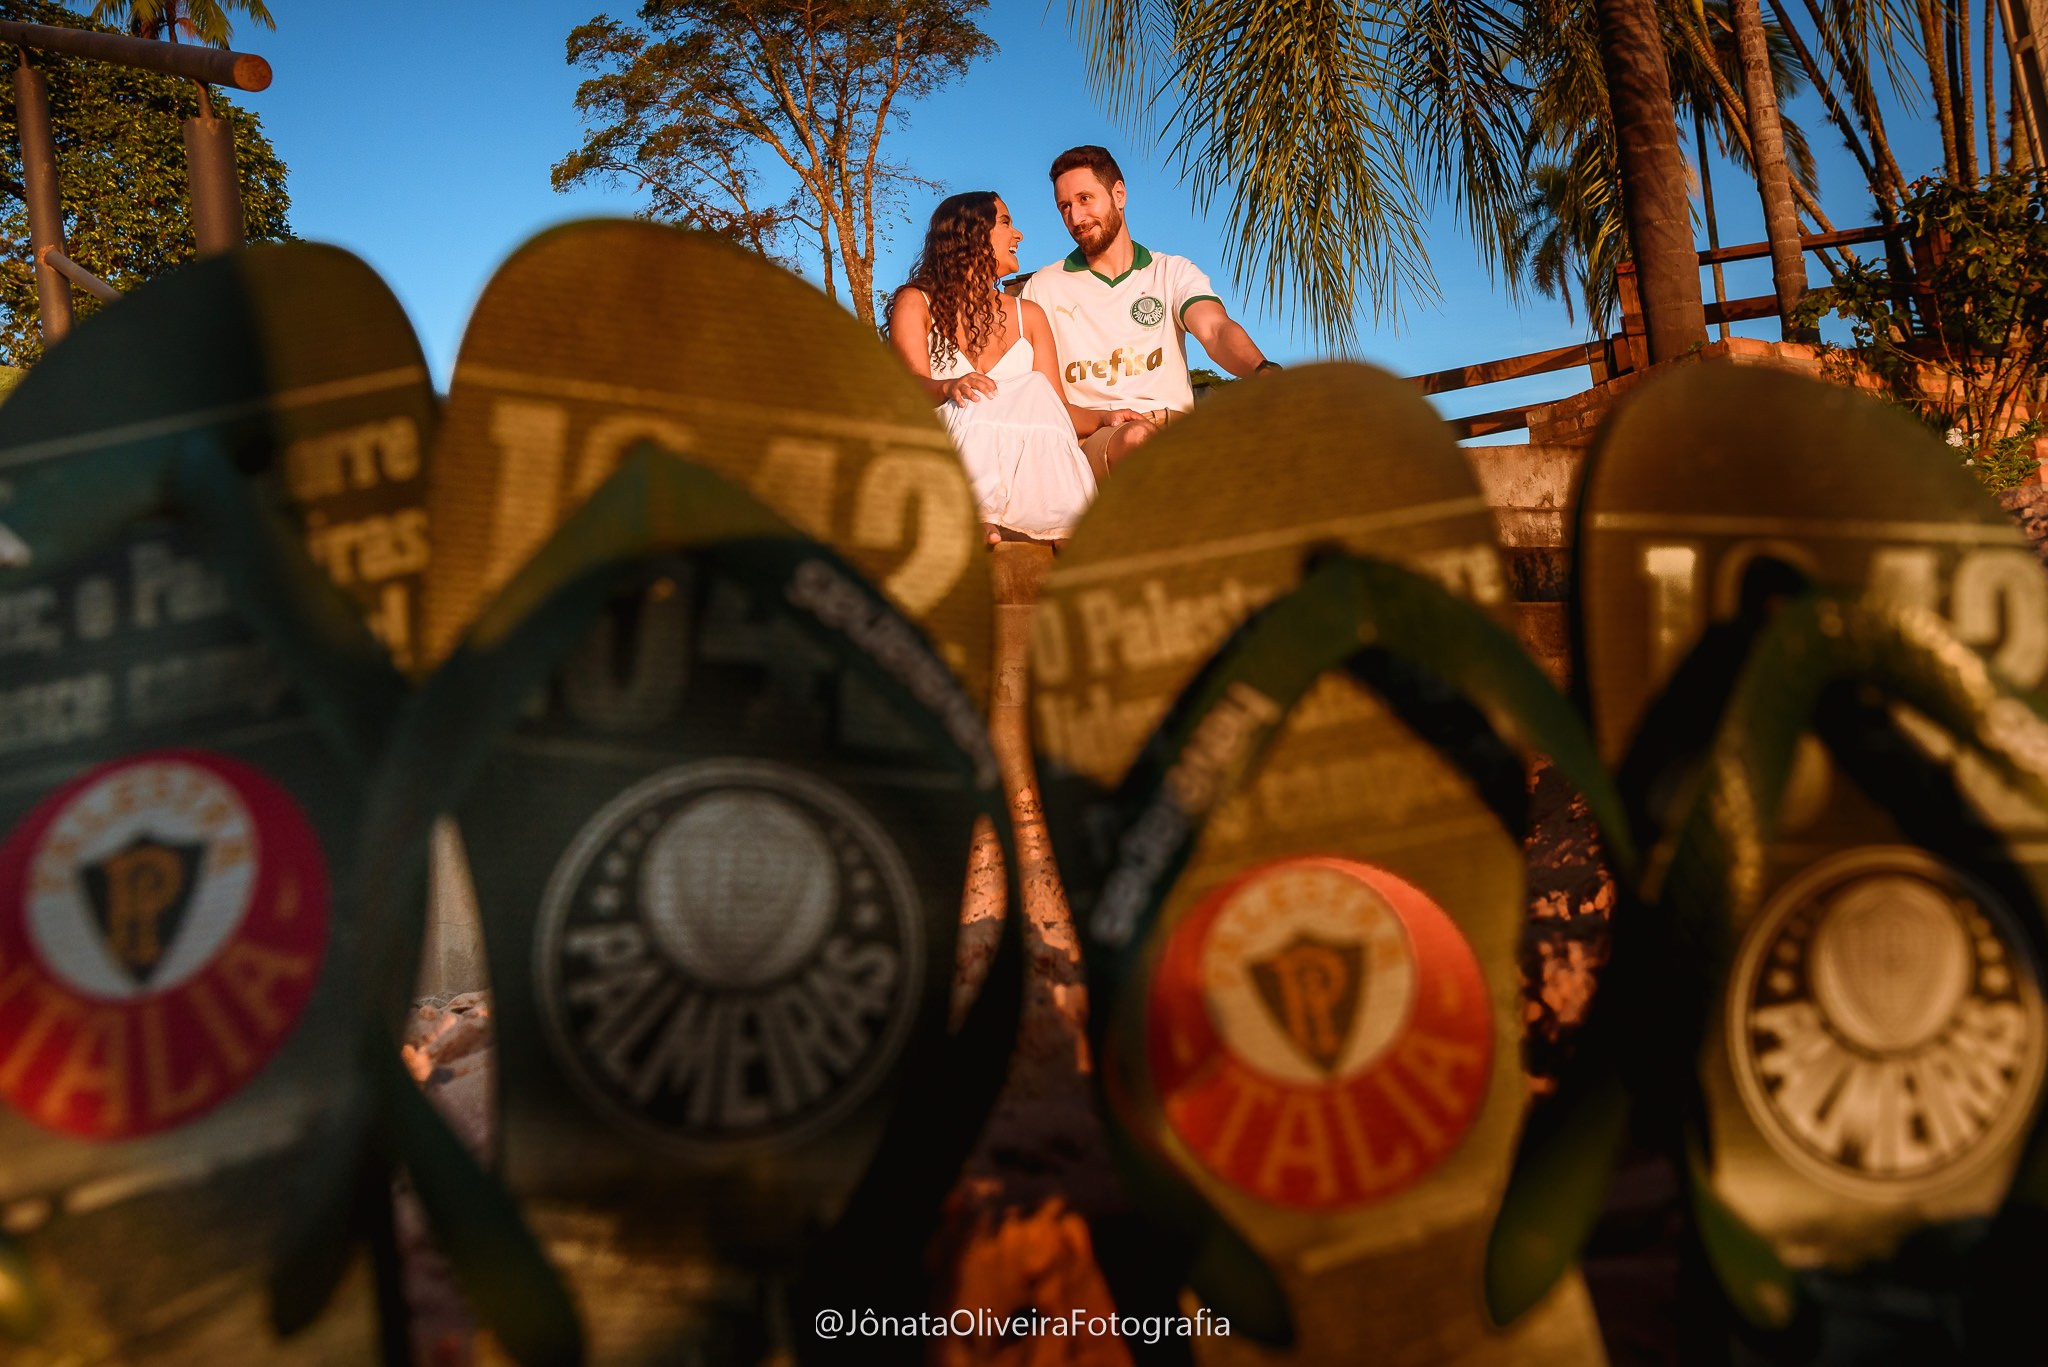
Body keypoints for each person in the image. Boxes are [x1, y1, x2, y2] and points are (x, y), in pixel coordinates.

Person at [887, 192, 1138, 545]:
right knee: (979, 397)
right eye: (1005, 222)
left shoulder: (1029, 315)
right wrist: (949, 386)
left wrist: (1104, 418)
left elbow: (1057, 410)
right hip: (945, 449)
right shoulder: (917, 302)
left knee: (1035, 388)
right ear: (970, 235)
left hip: (1024, 462)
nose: (1018, 234)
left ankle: (1060, 522)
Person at [1021, 146, 1280, 478]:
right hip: (1101, 440)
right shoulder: (1043, 287)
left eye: (1085, 199)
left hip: (1181, 432)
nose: (1076, 218)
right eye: (1065, 207)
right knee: (1138, 439)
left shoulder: (1172, 271)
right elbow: (1037, 393)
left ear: (1119, 194)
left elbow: (1215, 330)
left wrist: (1262, 370)